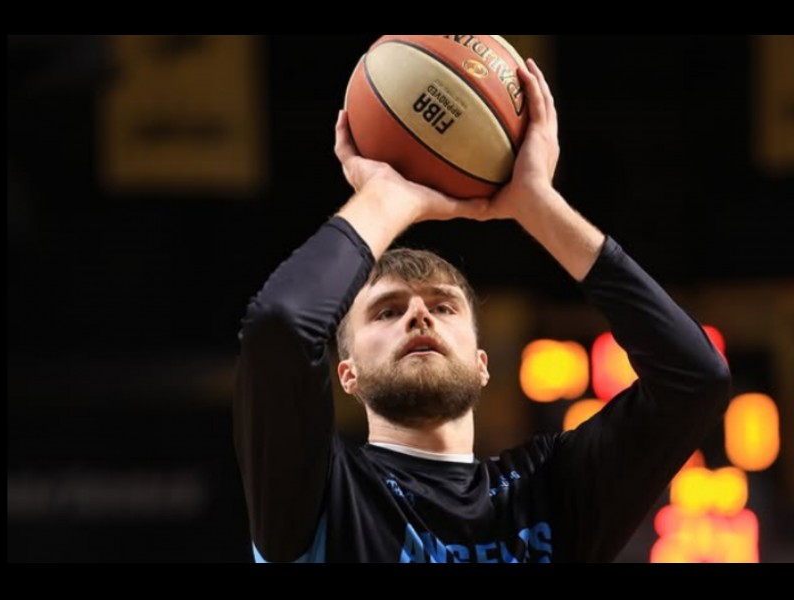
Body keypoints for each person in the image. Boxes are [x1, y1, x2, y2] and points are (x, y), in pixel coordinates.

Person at [233, 58, 731, 563]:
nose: (419, 316)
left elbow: (696, 378)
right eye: (386, 312)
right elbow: (280, 324)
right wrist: (385, 199)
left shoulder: (549, 488)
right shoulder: (318, 491)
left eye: (444, 306)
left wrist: (539, 206)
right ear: (348, 373)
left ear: (481, 363)